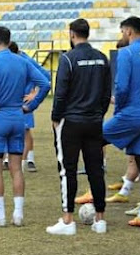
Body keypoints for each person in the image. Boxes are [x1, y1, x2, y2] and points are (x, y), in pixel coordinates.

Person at [0, 26, 50, 227]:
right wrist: (30, 106)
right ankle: (18, 215)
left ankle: (0, 216)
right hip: (18, 117)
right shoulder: (22, 61)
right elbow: (45, 84)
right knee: (17, 167)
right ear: (9, 42)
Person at [47, 18, 111, 235]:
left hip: (71, 122)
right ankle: (100, 220)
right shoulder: (102, 58)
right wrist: (98, 114)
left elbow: (61, 91)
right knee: (96, 169)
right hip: (94, 122)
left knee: (68, 170)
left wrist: (56, 117)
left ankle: (67, 220)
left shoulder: (68, 58)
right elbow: (105, 93)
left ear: (72, 35)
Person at [103, 16, 140, 228]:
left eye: (122, 32)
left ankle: (94, 194)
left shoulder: (127, 53)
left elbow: (121, 87)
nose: (122, 36)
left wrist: (119, 111)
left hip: (132, 112)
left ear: (129, 32)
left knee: (93, 139)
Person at [9, 41, 50, 172]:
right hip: (13, 100)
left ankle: (27, 161)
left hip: (25, 102)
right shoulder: (11, 61)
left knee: (25, 131)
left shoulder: (26, 60)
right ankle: (9, 160)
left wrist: (34, 93)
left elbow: (46, 76)